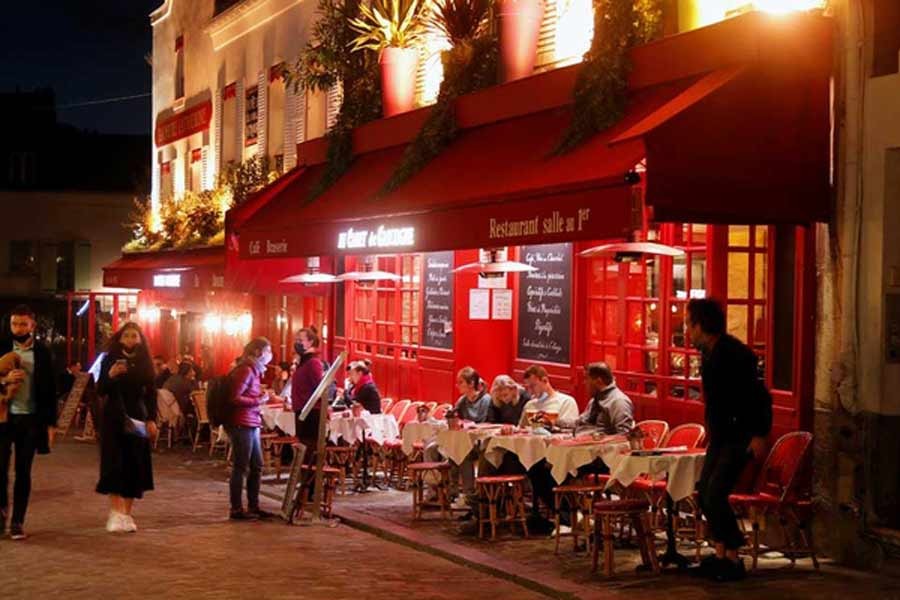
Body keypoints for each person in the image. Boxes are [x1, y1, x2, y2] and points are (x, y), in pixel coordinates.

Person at [687, 298, 772, 582]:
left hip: (740, 435)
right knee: (703, 492)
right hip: (721, 435)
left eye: (690, 324)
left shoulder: (735, 354)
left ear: (701, 325)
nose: (688, 331)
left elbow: (759, 396)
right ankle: (721, 553)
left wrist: (759, 434)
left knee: (716, 493)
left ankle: (734, 557)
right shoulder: (707, 354)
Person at [0, 305, 57, 541]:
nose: (19, 328)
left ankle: (17, 522)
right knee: (0, 470)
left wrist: (50, 424)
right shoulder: (2, 347)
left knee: (24, 471)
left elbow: (50, 389)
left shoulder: (42, 352)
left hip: (31, 419)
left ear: (32, 325)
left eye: (23, 324)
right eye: (15, 324)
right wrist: (5, 379)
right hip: (4, 417)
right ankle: (0, 517)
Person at [96, 322, 158, 534]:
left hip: (137, 416)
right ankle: (115, 511)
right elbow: (100, 390)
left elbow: (151, 393)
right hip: (113, 417)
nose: (131, 339)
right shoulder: (109, 359)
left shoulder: (145, 362)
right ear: (120, 338)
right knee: (114, 462)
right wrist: (110, 375)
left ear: (140, 339)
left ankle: (127, 514)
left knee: (135, 463)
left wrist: (151, 419)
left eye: (135, 336)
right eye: (127, 336)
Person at [519, 365, 579, 529]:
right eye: (528, 387)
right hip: (530, 452)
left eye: (533, 386)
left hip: (558, 453)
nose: (531, 391)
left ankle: (566, 517)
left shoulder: (565, 402)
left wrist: (550, 425)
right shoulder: (530, 405)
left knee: (539, 470)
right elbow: (521, 429)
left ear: (545, 381)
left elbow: (571, 430)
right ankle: (487, 508)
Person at [225, 337, 274, 521]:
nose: (270, 356)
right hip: (241, 423)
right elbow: (234, 397)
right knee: (241, 466)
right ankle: (236, 508)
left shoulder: (254, 370)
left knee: (257, 465)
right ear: (258, 352)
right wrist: (258, 401)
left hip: (251, 422)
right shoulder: (245, 370)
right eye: (269, 351)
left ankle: (254, 505)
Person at [572, 362, 634, 435]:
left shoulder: (619, 402)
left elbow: (623, 435)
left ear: (599, 381)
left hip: (597, 444)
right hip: (579, 439)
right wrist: (558, 422)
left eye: (586, 379)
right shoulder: (595, 399)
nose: (584, 382)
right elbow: (580, 421)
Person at [291, 326, 324, 461]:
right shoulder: (302, 362)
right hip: (300, 409)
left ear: (310, 342)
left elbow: (320, 387)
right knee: (302, 448)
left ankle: (309, 481)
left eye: (301, 340)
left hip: (310, 411)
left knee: (309, 449)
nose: (297, 343)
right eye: (296, 339)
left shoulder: (313, 362)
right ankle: (304, 479)